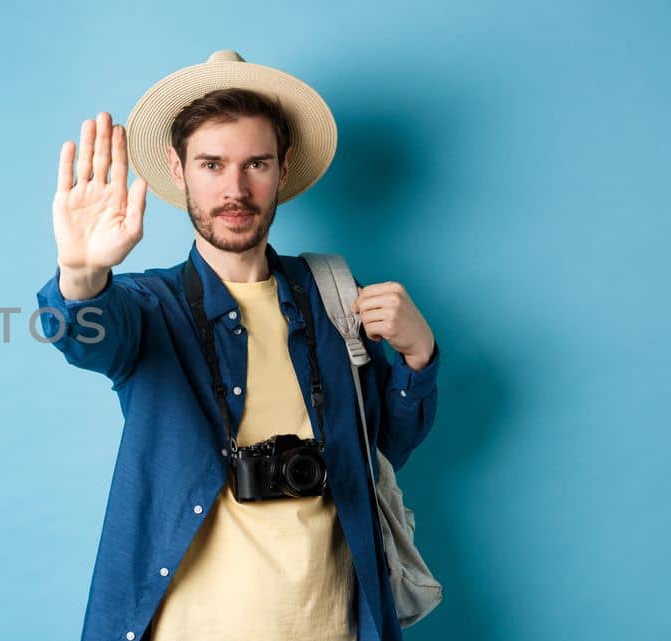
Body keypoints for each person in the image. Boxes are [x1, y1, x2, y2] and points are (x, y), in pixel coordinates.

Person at [37, 51, 440, 641]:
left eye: (256, 163)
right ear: (178, 170)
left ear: (283, 168)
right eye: (211, 164)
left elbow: (383, 451)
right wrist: (79, 273)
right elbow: (83, 332)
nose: (234, 189)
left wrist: (418, 357)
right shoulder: (151, 306)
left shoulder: (332, 295)